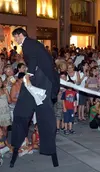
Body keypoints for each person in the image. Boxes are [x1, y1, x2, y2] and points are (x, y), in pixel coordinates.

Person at [10, 28, 59, 168]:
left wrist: (28, 76)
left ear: (21, 35)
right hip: (41, 80)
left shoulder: (28, 44)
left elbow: (33, 60)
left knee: (44, 116)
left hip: (42, 81)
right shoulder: (32, 44)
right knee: (23, 113)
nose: (16, 41)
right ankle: (18, 145)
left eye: (16, 37)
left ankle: (49, 150)